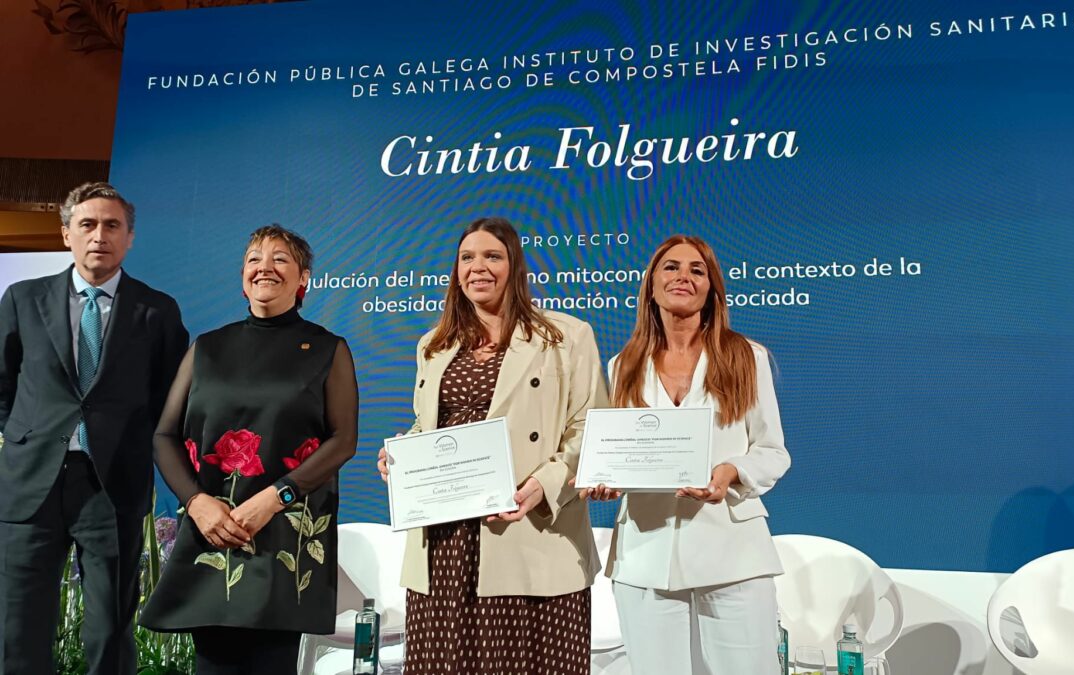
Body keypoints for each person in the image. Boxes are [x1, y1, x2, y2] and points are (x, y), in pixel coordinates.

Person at [377, 217, 607, 675]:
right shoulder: (434, 344)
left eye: (492, 256)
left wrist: (543, 485)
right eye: (467, 258)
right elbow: (429, 424)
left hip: (528, 530)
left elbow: (590, 427)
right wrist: (403, 454)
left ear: (515, 267)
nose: (477, 268)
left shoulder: (565, 337)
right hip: (444, 542)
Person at [139, 225, 358, 674]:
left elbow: (343, 441)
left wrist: (276, 497)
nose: (265, 266)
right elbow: (164, 435)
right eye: (255, 258)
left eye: (281, 258)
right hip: (213, 535)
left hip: (282, 538)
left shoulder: (326, 349)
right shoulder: (207, 348)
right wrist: (197, 503)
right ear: (243, 277)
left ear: (304, 280)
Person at [0, 182, 189, 674]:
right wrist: (23, 438)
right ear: (66, 234)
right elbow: (2, 385)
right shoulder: (22, 298)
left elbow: (172, 402)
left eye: (111, 226)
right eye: (86, 224)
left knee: (109, 628)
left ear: (129, 238)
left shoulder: (158, 310)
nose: (98, 236)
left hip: (112, 486)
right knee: (19, 625)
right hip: (30, 484)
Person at [596, 234, 790, 674]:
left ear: (711, 288)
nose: (683, 276)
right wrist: (605, 479)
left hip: (734, 555)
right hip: (645, 556)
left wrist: (731, 471)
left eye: (696, 270)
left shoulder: (746, 356)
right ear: (650, 284)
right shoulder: (621, 365)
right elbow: (618, 452)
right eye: (671, 267)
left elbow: (773, 451)